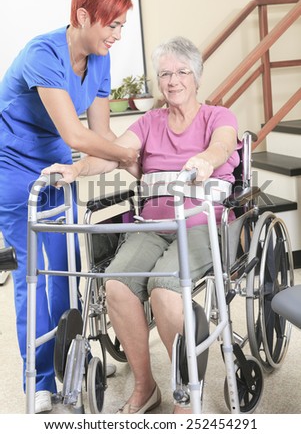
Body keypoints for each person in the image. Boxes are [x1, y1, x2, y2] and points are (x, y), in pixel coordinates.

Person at [43, 36, 240, 414]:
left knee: (166, 289)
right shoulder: (150, 121)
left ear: (196, 77)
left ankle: (187, 391)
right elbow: (114, 155)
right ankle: (146, 387)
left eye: (182, 71)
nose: (173, 80)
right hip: (151, 225)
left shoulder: (218, 116)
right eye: (165, 73)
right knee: (116, 284)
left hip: (201, 223)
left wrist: (204, 160)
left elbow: (223, 146)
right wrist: (76, 169)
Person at [0, 0, 139, 414]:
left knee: (67, 270)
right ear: (82, 15)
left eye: (122, 25)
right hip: (14, 167)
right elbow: (79, 135)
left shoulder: (100, 58)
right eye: (111, 24)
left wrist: (125, 154)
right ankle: (39, 376)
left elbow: (101, 133)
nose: (117, 34)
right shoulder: (42, 52)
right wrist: (124, 156)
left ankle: (70, 360)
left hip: (60, 168)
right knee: (34, 274)